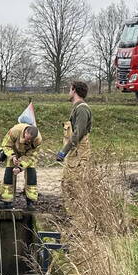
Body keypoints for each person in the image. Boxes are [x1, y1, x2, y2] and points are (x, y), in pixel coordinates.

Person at [55, 80, 92, 212]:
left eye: (69, 89)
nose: (68, 92)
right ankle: (71, 212)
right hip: (73, 153)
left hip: (78, 154)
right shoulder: (77, 108)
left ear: (74, 90)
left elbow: (78, 133)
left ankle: (78, 214)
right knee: (67, 182)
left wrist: (63, 151)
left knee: (75, 183)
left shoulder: (82, 109)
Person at [0, 123, 42, 210]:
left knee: (31, 176)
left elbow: (31, 156)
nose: (28, 141)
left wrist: (20, 167)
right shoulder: (15, 131)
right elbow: (6, 145)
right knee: (9, 174)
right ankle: (7, 200)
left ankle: (31, 201)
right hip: (13, 150)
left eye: (30, 140)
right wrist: (12, 156)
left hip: (28, 154)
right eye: (27, 139)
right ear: (25, 133)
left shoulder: (38, 140)